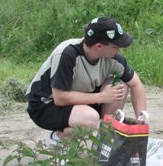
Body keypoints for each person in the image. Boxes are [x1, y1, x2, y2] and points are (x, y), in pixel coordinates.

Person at [26, 17, 148, 145]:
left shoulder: (113, 58)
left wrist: (141, 116)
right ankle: (57, 137)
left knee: (119, 84)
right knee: (90, 119)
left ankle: (104, 139)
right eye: (116, 46)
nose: (119, 49)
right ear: (99, 46)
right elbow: (60, 98)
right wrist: (102, 96)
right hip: (45, 105)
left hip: (80, 99)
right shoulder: (67, 54)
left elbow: (135, 84)